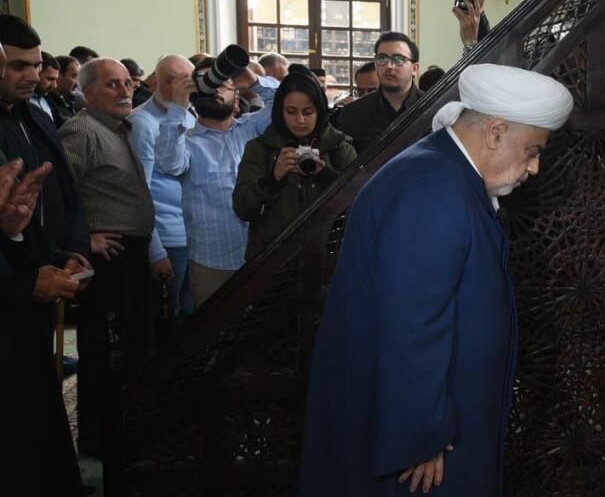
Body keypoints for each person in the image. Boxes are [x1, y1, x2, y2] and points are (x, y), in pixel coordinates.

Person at [278, 63, 573, 497]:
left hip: (426, 411)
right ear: (496, 132)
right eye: (532, 151)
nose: (533, 168)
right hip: (425, 431)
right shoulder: (434, 191)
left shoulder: (442, 171)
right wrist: (422, 434)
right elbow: (412, 325)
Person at [0, 19, 99, 497]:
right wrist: (19, 275)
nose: (31, 76)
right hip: (14, 292)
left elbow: (66, 197)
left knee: (38, 422)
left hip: (38, 284)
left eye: (35, 66)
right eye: (17, 65)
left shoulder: (34, 117)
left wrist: (74, 251)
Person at [60, 58, 172, 455]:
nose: (125, 91)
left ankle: (123, 430)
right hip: (108, 260)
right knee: (106, 351)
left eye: (127, 83)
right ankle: (98, 439)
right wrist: (83, 240)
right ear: (88, 92)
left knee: (132, 346)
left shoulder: (119, 128)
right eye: (112, 85)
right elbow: (56, 194)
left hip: (132, 255)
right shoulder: (81, 131)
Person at [155, 56, 278, 306]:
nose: (215, 90)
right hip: (212, 262)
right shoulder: (187, 141)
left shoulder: (251, 128)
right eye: (207, 84)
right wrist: (177, 107)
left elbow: (285, 102)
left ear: (236, 98)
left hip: (259, 254)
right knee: (215, 329)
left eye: (222, 84)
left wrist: (254, 81)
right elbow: (169, 163)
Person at [233, 71, 357, 261]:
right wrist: (273, 178)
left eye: (308, 112)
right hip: (272, 259)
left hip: (328, 258)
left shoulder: (338, 147)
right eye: (291, 112)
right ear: (280, 112)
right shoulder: (261, 148)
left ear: (320, 111)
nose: (300, 120)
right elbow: (243, 208)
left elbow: (358, 202)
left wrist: (325, 174)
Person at [130, 55, 196, 323]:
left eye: (185, 81)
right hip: (166, 237)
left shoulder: (189, 114)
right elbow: (140, 193)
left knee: (191, 315)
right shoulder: (142, 122)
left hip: (192, 235)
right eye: (170, 81)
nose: (178, 89)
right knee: (167, 318)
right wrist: (155, 251)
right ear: (155, 82)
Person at [331, 31, 424, 155]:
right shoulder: (352, 113)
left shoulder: (430, 108)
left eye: (398, 59)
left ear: (414, 68)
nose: (389, 66)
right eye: (382, 59)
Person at [49, 55, 80, 126]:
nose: (78, 83)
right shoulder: (47, 104)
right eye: (74, 76)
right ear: (58, 75)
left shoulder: (68, 99)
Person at [30, 53, 60, 122]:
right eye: (50, 79)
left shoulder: (50, 100)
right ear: (36, 74)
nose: (55, 85)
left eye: (56, 80)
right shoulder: (19, 104)